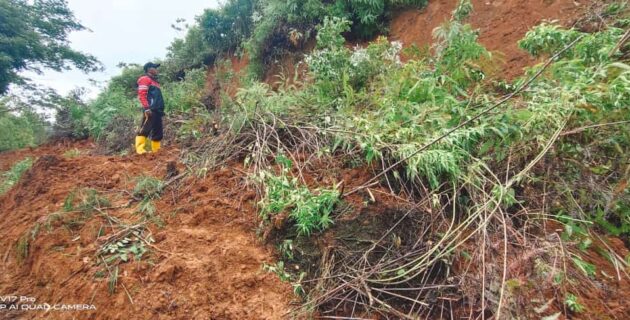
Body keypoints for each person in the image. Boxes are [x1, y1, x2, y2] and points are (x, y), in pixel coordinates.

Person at [135, 62, 165, 154]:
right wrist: (147, 108)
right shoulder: (145, 79)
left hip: (157, 110)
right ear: (149, 69)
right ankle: (140, 150)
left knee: (158, 131)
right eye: (154, 68)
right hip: (150, 109)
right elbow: (142, 95)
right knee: (145, 129)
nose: (156, 70)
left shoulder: (155, 82)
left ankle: (156, 151)